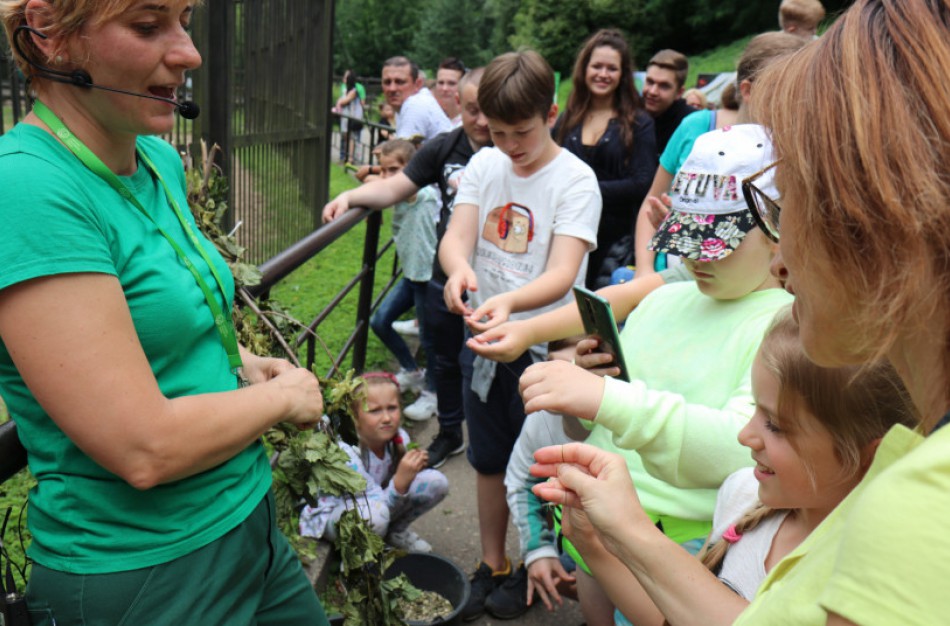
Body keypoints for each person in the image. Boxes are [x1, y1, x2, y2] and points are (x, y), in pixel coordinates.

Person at [0, 2, 330, 624]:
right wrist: (286, 400)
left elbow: (165, 329)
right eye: (148, 27)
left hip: (246, 522)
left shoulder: (158, 162)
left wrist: (246, 362)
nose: (189, 53)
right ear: (47, 33)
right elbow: (142, 447)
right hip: (144, 573)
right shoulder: (26, 190)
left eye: (183, 19)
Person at [740, 1, 950, 623]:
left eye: (790, 198)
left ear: (873, 220)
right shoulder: (916, 448)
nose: (779, 262)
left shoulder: (918, 517)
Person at [530, 310, 917, 626]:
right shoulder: (742, 493)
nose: (746, 436)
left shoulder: (866, 584)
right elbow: (677, 615)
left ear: (871, 456)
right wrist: (593, 542)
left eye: (777, 426)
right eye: (754, 411)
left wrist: (629, 527)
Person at [438, 49, 602, 620]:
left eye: (522, 132)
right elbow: (457, 238)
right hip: (485, 342)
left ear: (551, 112)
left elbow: (562, 274)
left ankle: (551, 559)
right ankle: (495, 564)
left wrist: (507, 302)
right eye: (498, 132)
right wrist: (460, 268)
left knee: (546, 462)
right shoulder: (485, 165)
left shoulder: (576, 181)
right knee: (487, 457)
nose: (509, 145)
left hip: (549, 349)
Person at [323, 68, 491, 458]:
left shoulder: (508, 150)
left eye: (489, 110)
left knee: (480, 365)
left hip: (495, 279)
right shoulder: (446, 147)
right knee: (445, 361)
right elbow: (397, 186)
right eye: (471, 110)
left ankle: (488, 443)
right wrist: (351, 197)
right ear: (459, 108)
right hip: (443, 274)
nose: (480, 121)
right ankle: (450, 432)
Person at [633, 32, 805, 276]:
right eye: (787, 91)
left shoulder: (795, 149)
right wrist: (644, 269)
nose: (797, 103)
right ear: (747, 90)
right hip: (681, 270)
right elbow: (652, 203)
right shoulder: (698, 130)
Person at [299, 373, 448, 552]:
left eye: (392, 408)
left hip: (375, 504)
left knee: (436, 482)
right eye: (375, 410)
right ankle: (358, 560)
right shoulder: (346, 453)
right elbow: (374, 501)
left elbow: (379, 499)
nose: (386, 418)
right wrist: (400, 483)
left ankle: (395, 532)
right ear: (354, 417)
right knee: (376, 517)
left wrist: (411, 471)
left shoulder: (400, 438)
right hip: (336, 513)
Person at [553, 28, 657, 287]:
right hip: (566, 229)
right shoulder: (567, 119)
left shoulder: (638, 122)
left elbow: (642, 181)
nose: (603, 74)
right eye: (596, 66)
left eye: (611, 68)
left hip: (616, 240)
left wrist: (584, 190)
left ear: (622, 75)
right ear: (584, 69)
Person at [365, 139, 440, 418]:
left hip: (427, 278)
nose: (387, 178)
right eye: (384, 171)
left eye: (393, 170)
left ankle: (432, 393)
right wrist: (378, 173)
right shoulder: (399, 194)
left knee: (430, 339)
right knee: (380, 321)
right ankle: (412, 370)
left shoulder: (423, 197)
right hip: (412, 276)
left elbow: (416, 192)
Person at [382, 55, 451, 142]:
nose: (392, 88)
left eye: (400, 82)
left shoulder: (415, 104)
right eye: (387, 82)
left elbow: (402, 153)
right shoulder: (406, 104)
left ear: (418, 84)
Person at [642, 49, 696, 155]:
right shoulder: (629, 114)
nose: (653, 91)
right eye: (650, 82)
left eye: (664, 86)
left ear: (679, 93)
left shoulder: (692, 124)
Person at [334, 69, 364, 163]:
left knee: (351, 137)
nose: (344, 79)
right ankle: (346, 156)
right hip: (347, 116)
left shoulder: (353, 91)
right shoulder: (346, 89)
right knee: (346, 136)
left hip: (353, 117)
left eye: (345, 77)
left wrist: (339, 102)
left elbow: (344, 101)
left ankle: (350, 158)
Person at [435, 56, 466, 126]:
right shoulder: (431, 117)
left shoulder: (466, 123)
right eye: (441, 83)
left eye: (451, 83)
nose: (444, 88)